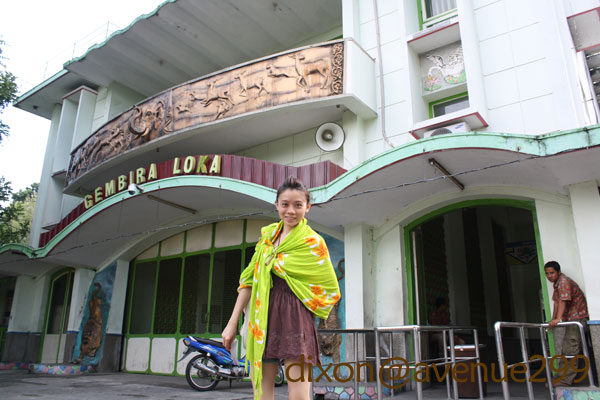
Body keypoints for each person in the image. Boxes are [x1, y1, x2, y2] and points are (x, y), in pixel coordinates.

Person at [222, 176, 341, 400]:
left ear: (308, 207)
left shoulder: (313, 242)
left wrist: (308, 300)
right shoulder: (266, 240)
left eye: (298, 205)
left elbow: (329, 287)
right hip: (262, 316)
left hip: (296, 317)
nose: (291, 211)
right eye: (285, 204)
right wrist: (232, 323)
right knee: (262, 391)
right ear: (276, 205)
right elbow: (248, 281)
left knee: (299, 395)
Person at [544, 260, 589, 386]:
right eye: (547, 273)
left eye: (552, 273)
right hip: (570, 320)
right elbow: (557, 302)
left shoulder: (563, 282)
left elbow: (563, 301)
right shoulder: (557, 284)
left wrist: (558, 319)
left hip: (577, 319)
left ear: (558, 272)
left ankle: (565, 380)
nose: (549, 276)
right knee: (565, 351)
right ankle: (561, 377)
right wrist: (553, 319)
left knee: (570, 350)